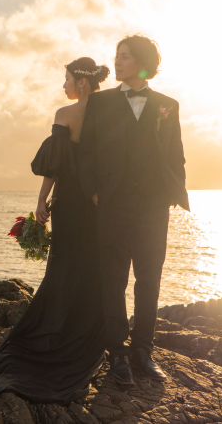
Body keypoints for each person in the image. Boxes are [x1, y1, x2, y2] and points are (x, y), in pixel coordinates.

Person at [0, 57, 110, 404]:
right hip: (100, 206)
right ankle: (90, 339)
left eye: (66, 79)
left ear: (81, 82)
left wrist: (41, 201)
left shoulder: (65, 114)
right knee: (94, 271)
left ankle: (52, 335)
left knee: (62, 271)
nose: (63, 86)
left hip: (71, 206)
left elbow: (56, 165)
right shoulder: (112, 114)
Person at [78, 35, 189, 386]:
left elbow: (176, 154)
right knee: (113, 281)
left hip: (154, 208)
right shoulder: (99, 103)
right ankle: (117, 354)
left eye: (124, 56)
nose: (117, 62)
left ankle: (144, 350)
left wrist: (171, 194)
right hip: (112, 205)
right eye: (117, 55)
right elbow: (87, 154)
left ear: (141, 62)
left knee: (149, 280)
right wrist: (95, 194)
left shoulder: (167, 105)